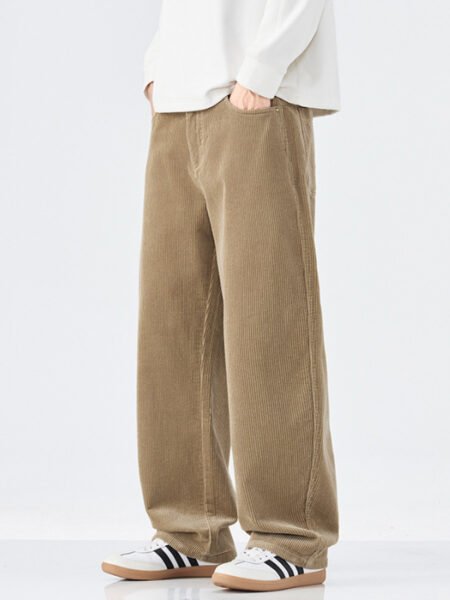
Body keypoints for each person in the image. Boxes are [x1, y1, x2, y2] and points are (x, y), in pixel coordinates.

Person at [102, 0, 340, 592]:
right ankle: (190, 531)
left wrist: (262, 71)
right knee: (173, 324)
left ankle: (291, 536)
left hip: (257, 96)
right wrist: (157, 71)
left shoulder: (259, 83)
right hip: (179, 103)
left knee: (268, 316)